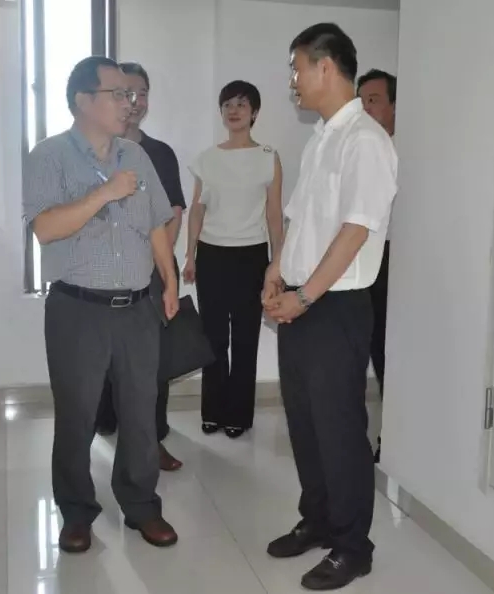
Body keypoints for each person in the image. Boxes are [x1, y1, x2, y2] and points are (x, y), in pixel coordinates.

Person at [22, 56, 180, 554]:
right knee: (78, 416)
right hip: (77, 309)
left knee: (140, 414)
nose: (129, 103)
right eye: (117, 94)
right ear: (83, 101)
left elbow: (156, 223)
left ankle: (141, 505)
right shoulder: (48, 156)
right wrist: (105, 193)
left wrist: (169, 280)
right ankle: (76, 512)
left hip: (136, 306)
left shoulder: (137, 157)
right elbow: (45, 228)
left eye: (131, 94)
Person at [263, 24, 397, 591]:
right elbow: (301, 219)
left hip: (334, 306)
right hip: (304, 300)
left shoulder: (365, 140)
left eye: (297, 68)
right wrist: (276, 269)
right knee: (305, 423)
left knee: (339, 430)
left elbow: (355, 232)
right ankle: (317, 521)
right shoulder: (322, 137)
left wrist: (304, 295)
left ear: (325, 67)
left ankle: (352, 547)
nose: (293, 80)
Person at [94, 62, 186, 473]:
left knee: (153, 362)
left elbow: (173, 212)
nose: (134, 102)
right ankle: (107, 423)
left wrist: (159, 263)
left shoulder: (160, 153)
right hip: (103, 273)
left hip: (150, 271)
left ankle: (153, 438)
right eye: (125, 92)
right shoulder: (96, 149)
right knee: (104, 356)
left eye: (142, 93)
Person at [183, 80, 283, 439]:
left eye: (241, 104)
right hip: (211, 254)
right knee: (212, 337)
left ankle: (239, 414)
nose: (234, 110)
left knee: (245, 337)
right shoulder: (207, 159)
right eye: (228, 104)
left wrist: (277, 263)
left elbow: (274, 214)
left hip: (251, 256)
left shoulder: (268, 157)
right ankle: (213, 411)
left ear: (254, 112)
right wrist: (190, 255)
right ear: (221, 112)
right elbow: (197, 210)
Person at [357, 68, 397, 463]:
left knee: (389, 354)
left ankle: (393, 438)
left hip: (395, 261)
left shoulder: (404, 154)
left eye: (374, 100)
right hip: (359, 262)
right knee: (360, 351)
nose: (366, 108)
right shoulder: (358, 152)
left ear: (394, 107)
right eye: (361, 101)